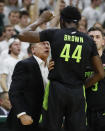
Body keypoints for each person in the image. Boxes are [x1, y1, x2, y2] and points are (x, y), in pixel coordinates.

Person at [18, 6, 105, 131]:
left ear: (62, 21)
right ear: (78, 22)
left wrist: (40, 20)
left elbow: (22, 35)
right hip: (77, 92)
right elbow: (100, 73)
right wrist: (83, 85)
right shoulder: (88, 40)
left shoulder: (55, 33)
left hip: (56, 89)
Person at [7, 41, 50, 131]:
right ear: (33, 49)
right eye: (43, 44)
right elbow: (15, 92)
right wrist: (22, 114)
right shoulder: (25, 64)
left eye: (48, 44)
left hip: (43, 120)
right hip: (25, 120)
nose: (46, 46)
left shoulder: (51, 67)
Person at [85, 27, 105, 131]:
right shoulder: (80, 61)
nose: (94, 39)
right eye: (91, 37)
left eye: (98, 37)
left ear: (103, 41)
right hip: (84, 113)